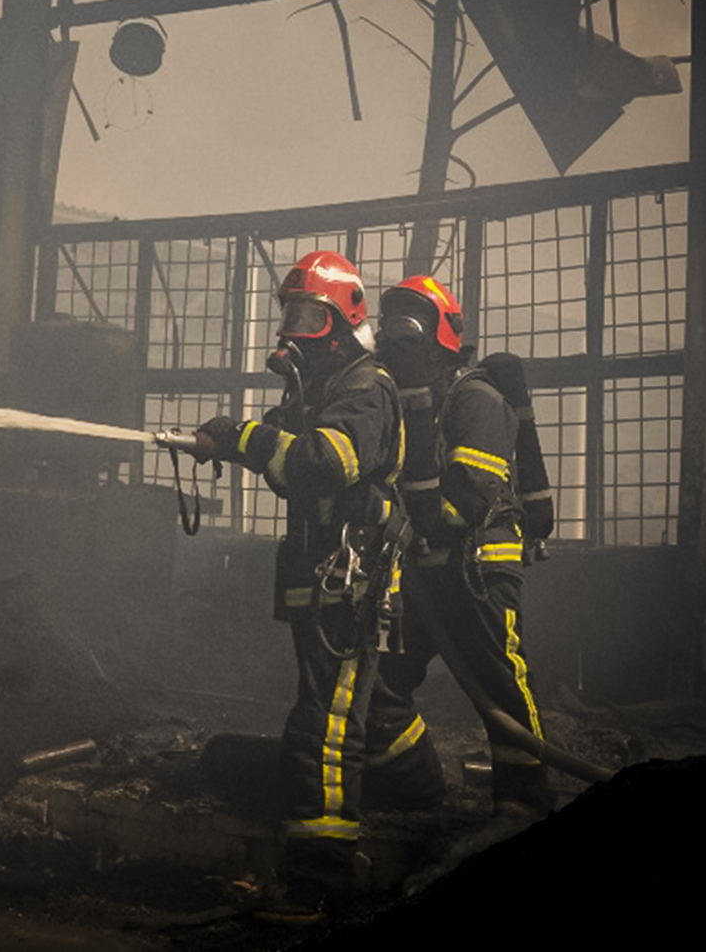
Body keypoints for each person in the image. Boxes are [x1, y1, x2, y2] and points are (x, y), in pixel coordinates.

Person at [189, 250, 406, 919]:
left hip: (352, 583)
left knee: (325, 728)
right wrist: (226, 441)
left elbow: (322, 463)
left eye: (311, 316)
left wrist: (247, 437)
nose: (295, 330)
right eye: (292, 315)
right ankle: (418, 786)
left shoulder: (365, 388)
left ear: (345, 321)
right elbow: (286, 458)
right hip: (326, 577)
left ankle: (319, 879)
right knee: (350, 712)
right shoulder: (320, 390)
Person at [365, 275, 552, 821]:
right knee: (379, 683)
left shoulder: (477, 400)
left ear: (441, 339)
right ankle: (411, 783)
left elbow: (462, 505)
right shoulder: (403, 403)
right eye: (390, 330)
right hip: (421, 574)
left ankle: (524, 805)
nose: (398, 343)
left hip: (478, 572)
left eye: (410, 331)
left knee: (502, 689)